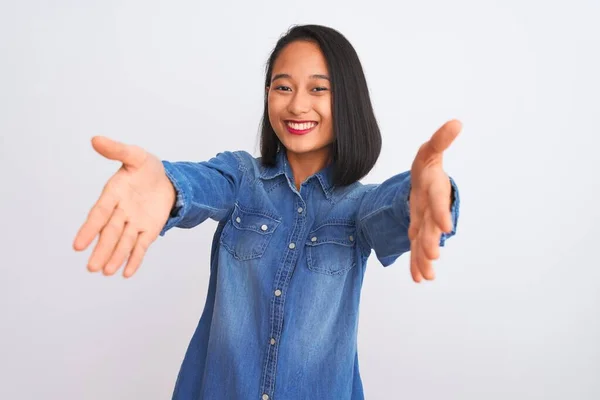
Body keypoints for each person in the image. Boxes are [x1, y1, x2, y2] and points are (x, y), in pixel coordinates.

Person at [73, 24, 461, 400]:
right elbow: (202, 183)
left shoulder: (358, 206)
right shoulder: (242, 177)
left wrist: (421, 197)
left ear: (347, 100)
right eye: (283, 87)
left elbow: (392, 209)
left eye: (318, 89)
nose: (296, 104)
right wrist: (167, 185)